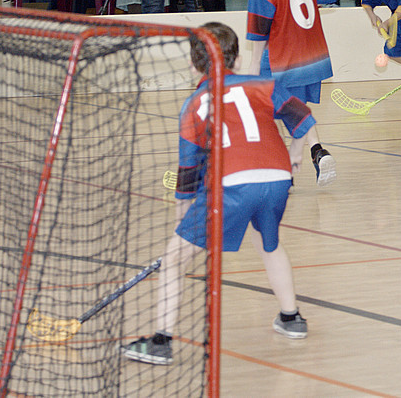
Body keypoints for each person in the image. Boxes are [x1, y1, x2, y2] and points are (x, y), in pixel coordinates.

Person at [121, 23, 315, 365]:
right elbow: (302, 118)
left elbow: (188, 172)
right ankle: (291, 318)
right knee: (268, 244)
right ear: (237, 59)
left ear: (194, 65)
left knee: (173, 261)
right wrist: (297, 153)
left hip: (233, 184)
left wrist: (181, 220)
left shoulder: (193, 104)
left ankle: (161, 341)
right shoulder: (262, 83)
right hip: (278, 178)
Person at [244, 0, 338, 185]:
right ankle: (310, 157)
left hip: (282, 58)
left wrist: (252, 68)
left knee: (274, 108)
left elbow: (259, 29)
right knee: (292, 108)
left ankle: (291, 162)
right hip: (312, 54)